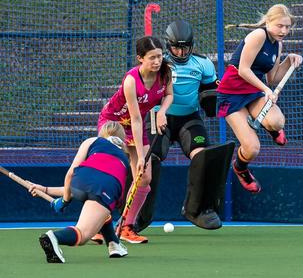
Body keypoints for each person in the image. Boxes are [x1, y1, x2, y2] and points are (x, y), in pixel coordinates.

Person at [130, 20, 231, 233]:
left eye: (185, 47)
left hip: (189, 119)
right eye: (176, 47)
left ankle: (195, 210)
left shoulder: (203, 64)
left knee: (203, 156)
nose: (181, 51)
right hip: (160, 117)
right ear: (168, 46)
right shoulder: (159, 63)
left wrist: (212, 98)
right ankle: (141, 215)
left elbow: (210, 92)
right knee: (151, 161)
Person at [217, 4, 303, 194]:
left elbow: (273, 77)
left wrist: (289, 60)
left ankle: (271, 129)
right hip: (232, 92)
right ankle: (240, 168)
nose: (284, 31)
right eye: (280, 26)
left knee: (277, 121)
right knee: (252, 149)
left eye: (288, 27)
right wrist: (266, 90)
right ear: (268, 21)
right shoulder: (259, 35)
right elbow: (243, 69)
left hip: (253, 92)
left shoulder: (277, 44)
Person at [97, 36, 173, 243]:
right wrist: (140, 156)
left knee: (145, 178)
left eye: (160, 56)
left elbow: (168, 95)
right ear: (140, 58)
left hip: (136, 125)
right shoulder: (131, 81)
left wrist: (162, 111)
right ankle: (98, 224)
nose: (158, 61)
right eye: (152, 58)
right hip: (114, 124)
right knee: (112, 173)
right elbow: (137, 119)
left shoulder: (165, 72)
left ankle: (125, 227)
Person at [30, 121, 130, 263]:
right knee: (83, 234)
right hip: (105, 188)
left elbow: (71, 175)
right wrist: (64, 200)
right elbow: (116, 200)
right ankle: (54, 237)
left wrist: (48, 191)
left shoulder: (92, 141)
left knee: (102, 212)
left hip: (80, 180)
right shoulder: (125, 159)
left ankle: (114, 244)